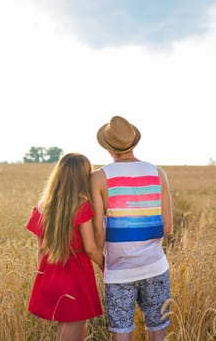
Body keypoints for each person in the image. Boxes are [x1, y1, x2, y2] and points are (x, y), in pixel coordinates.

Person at [91, 116, 173, 341]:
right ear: (133, 143)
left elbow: (99, 232)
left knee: (121, 332)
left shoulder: (98, 178)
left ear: (108, 148)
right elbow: (167, 226)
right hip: (155, 266)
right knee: (158, 330)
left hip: (118, 269)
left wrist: (105, 261)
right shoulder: (158, 173)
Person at [26, 153, 104, 341]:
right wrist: (106, 266)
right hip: (75, 275)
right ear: (82, 178)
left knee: (79, 329)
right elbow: (91, 248)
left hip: (50, 271)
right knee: (71, 329)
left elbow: (41, 249)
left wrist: (43, 277)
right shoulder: (82, 206)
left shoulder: (43, 206)